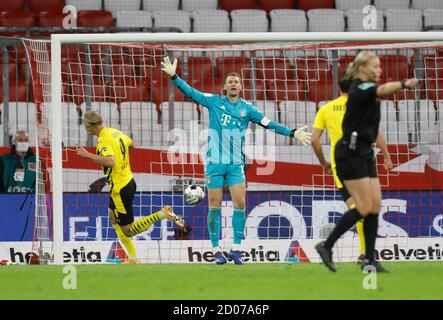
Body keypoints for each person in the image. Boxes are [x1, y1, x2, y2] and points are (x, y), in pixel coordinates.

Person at [161, 56, 312, 265]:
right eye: (230, 81)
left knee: (240, 203)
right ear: (225, 87)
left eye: (237, 82)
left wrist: (292, 132)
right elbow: (191, 93)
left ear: (241, 87)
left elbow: (269, 124)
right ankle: (216, 250)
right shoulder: (214, 101)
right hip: (215, 162)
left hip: (235, 164)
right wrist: (175, 77)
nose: (233, 84)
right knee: (214, 204)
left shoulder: (247, 109)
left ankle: (236, 249)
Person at [315, 51, 418, 272]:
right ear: (363, 69)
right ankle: (327, 245)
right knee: (362, 207)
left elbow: (375, 127)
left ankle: (368, 259)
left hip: (365, 152)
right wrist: (404, 83)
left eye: (380, 66)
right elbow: (382, 90)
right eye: (375, 66)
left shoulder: (368, 92)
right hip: (349, 153)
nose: (379, 70)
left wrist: (386, 154)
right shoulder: (359, 88)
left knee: (375, 206)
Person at [76, 111, 184, 264]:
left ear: (91, 125)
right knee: (112, 217)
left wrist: (88, 155)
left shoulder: (103, 140)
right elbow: (131, 144)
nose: (86, 129)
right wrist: (123, 159)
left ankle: (162, 214)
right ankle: (133, 257)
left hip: (120, 188)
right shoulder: (115, 132)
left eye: (86, 126)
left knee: (128, 231)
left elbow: (110, 161)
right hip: (127, 180)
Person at [311, 79, 393, 265]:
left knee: (359, 207)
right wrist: (387, 156)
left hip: (340, 162)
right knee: (363, 208)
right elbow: (377, 133)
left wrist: (323, 161)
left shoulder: (326, 108)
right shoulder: (361, 106)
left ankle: (361, 253)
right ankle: (364, 254)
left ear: (338, 88)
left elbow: (315, 139)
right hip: (362, 160)